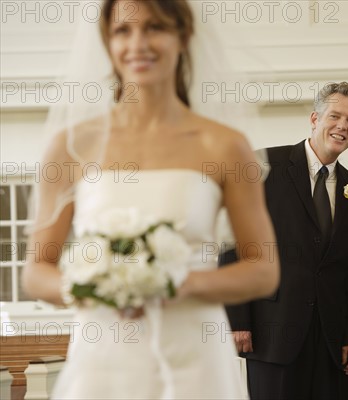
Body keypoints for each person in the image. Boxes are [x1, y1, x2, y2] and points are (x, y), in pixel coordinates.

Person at [22, 1, 279, 399]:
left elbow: (263, 268)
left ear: (183, 36)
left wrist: (179, 282)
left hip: (195, 353)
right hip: (104, 354)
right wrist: (98, 285)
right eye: (123, 31)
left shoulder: (225, 145)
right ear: (108, 42)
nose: (138, 43)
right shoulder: (72, 145)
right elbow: (36, 271)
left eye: (155, 27)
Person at [222, 81, 348, 400]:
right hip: (271, 330)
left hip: (331, 341)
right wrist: (237, 318)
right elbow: (233, 243)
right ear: (315, 119)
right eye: (335, 116)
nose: (342, 126)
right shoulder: (263, 165)